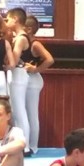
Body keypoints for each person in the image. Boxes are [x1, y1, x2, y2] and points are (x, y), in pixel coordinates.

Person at [23, 15, 54, 154]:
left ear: (29, 29)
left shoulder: (35, 44)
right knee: (26, 112)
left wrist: (36, 69)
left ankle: (33, 146)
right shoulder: (24, 42)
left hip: (33, 80)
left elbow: (50, 59)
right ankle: (27, 144)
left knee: (31, 113)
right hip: (27, 79)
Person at [5, 7, 31, 150]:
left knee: (20, 110)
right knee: (16, 110)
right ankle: (21, 143)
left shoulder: (20, 38)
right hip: (17, 75)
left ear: (15, 19)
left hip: (19, 75)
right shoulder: (18, 37)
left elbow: (13, 62)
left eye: (8, 19)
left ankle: (24, 145)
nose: (6, 22)